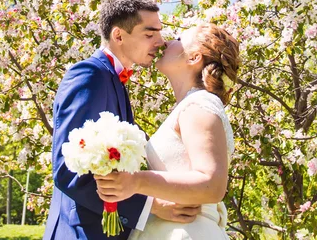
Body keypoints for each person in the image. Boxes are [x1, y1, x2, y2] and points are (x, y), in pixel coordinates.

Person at [42, 0, 202, 240]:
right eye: (150, 34)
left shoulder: (113, 80)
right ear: (118, 35)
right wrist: (153, 205)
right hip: (81, 232)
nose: (160, 42)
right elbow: (68, 169)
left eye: (160, 32)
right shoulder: (89, 76)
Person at [95, 22, 240, 240]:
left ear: (193, 58)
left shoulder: (199, 104)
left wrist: (137, 182)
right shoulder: (190, 105)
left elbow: (212, 184)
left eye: (179, 40)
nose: (165, 42)